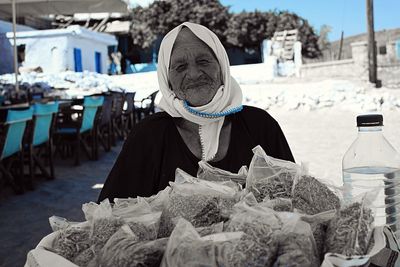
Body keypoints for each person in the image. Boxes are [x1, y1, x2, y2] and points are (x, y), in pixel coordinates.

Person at [98, 22, 294, 202]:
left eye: (203, 61)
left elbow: (294, 200)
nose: (193, 74)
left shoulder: (261, 126)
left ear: (222, 66)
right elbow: (111, 212)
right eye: (180, 66)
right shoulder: (148, 135)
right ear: (167, 79)